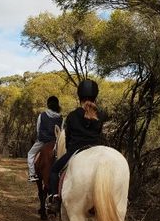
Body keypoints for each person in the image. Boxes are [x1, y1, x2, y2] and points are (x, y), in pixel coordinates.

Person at [46, 79, 105, 210]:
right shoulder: (100, 115)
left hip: (76, 150)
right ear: (95, 96)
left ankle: (55, 198)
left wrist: (69, 150)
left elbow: (68, 137)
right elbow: (99, 135)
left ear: (80, 96)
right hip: (96, 150)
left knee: (54, 170)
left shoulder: (72, 115)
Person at [27, 96, 63, 182]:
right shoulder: (61, 118)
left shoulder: (42, 115)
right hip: (55, 142)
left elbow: (38, 129)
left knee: (30, 154)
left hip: (42, 141)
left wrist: (41, 137)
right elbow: (60, 131)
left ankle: (32, 175)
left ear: (48, 105)